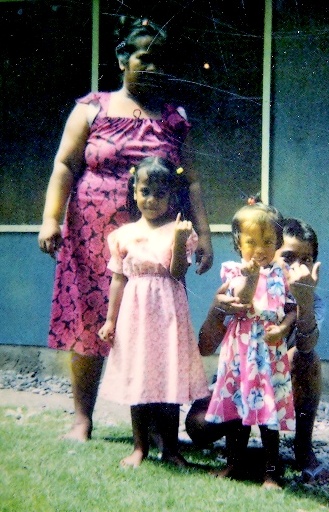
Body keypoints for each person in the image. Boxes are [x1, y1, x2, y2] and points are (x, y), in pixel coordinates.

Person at [37, 17, 212, 442]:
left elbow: (190, 181)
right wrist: (50, 218)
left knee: (150, 321)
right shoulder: (92, 108)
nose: (153, 68)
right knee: (91, 320)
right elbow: (64, 165)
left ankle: (151, 427)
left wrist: (203, 235)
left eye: (160, 61)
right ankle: (83, 418)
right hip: (91, 233)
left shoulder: (174, 118)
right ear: (122, 59)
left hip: (154, 241)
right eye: (144, 58)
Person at [185, 216, 329, 484]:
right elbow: (205, 347)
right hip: (237, 379)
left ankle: (300, 449)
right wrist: (217, 309)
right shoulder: (240, 281)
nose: (297, 266)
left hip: (274, 382)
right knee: (198, 427)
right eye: (288, 257)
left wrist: (305, 303)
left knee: (304, 356)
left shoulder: (309, 297)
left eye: (306, 259)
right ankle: (239, 460)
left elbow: (307, 346)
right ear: (271, 252)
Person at [98, 157, 209, 468]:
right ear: (134, 192)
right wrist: (110, 320)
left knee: (169, 378)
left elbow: (177, 273)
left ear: (171, 197)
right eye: (145, 191)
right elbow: (118, 279)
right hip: (135, 313)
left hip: (168, 312)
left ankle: (171, 450)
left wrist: (178, 239)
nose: (151, 200)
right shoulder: (123, 234)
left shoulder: (181, 230)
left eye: (160, 194)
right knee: (139, 378)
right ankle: (139, 448)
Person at [204, 202, 297, 488]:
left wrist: (282, 328)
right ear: (238, 243)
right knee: (237, 408)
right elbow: (243, 300)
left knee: (268, 412)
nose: (260, 249)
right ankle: (234, 463)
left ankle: (271, 471)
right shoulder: (234, 271)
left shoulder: (282, 273)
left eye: (268, 242)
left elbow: (292, 308)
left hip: (270, 350)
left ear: (278, 243)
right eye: (251, 242)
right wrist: (252, 276)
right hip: (242, 349)